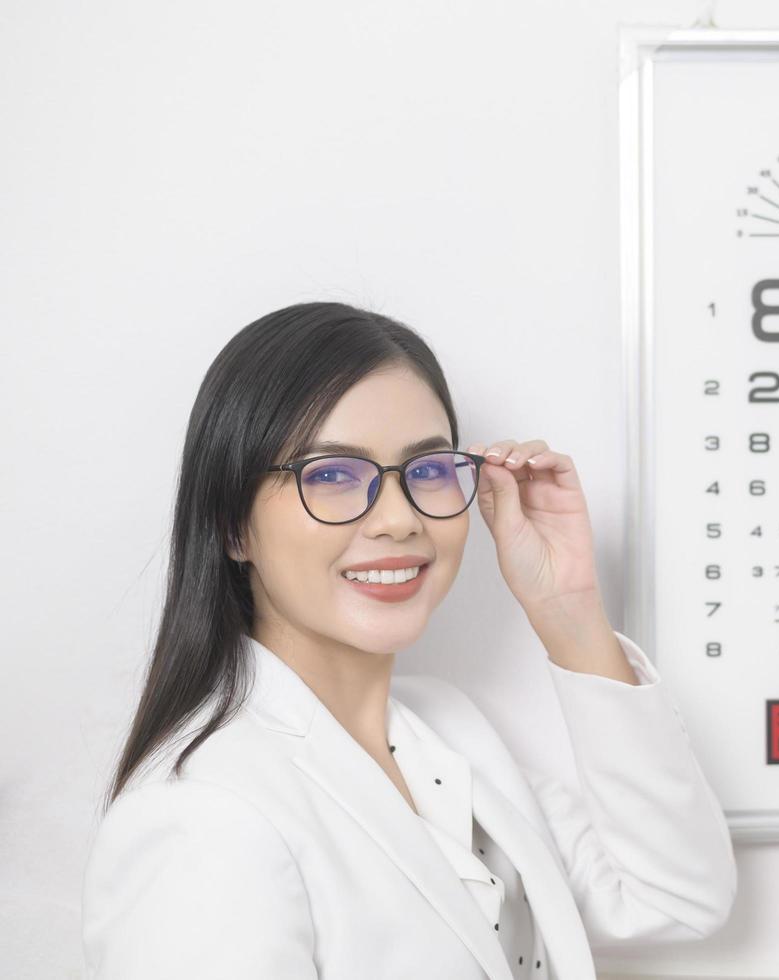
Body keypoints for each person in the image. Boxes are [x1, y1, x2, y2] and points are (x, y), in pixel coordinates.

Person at [80, 302, 737, 980]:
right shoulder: (201, 816)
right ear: (232, 526)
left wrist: (566, 610)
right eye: (331, 474)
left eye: (425, 470)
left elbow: (676, 897)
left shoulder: (450, 730)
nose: (398, 519)